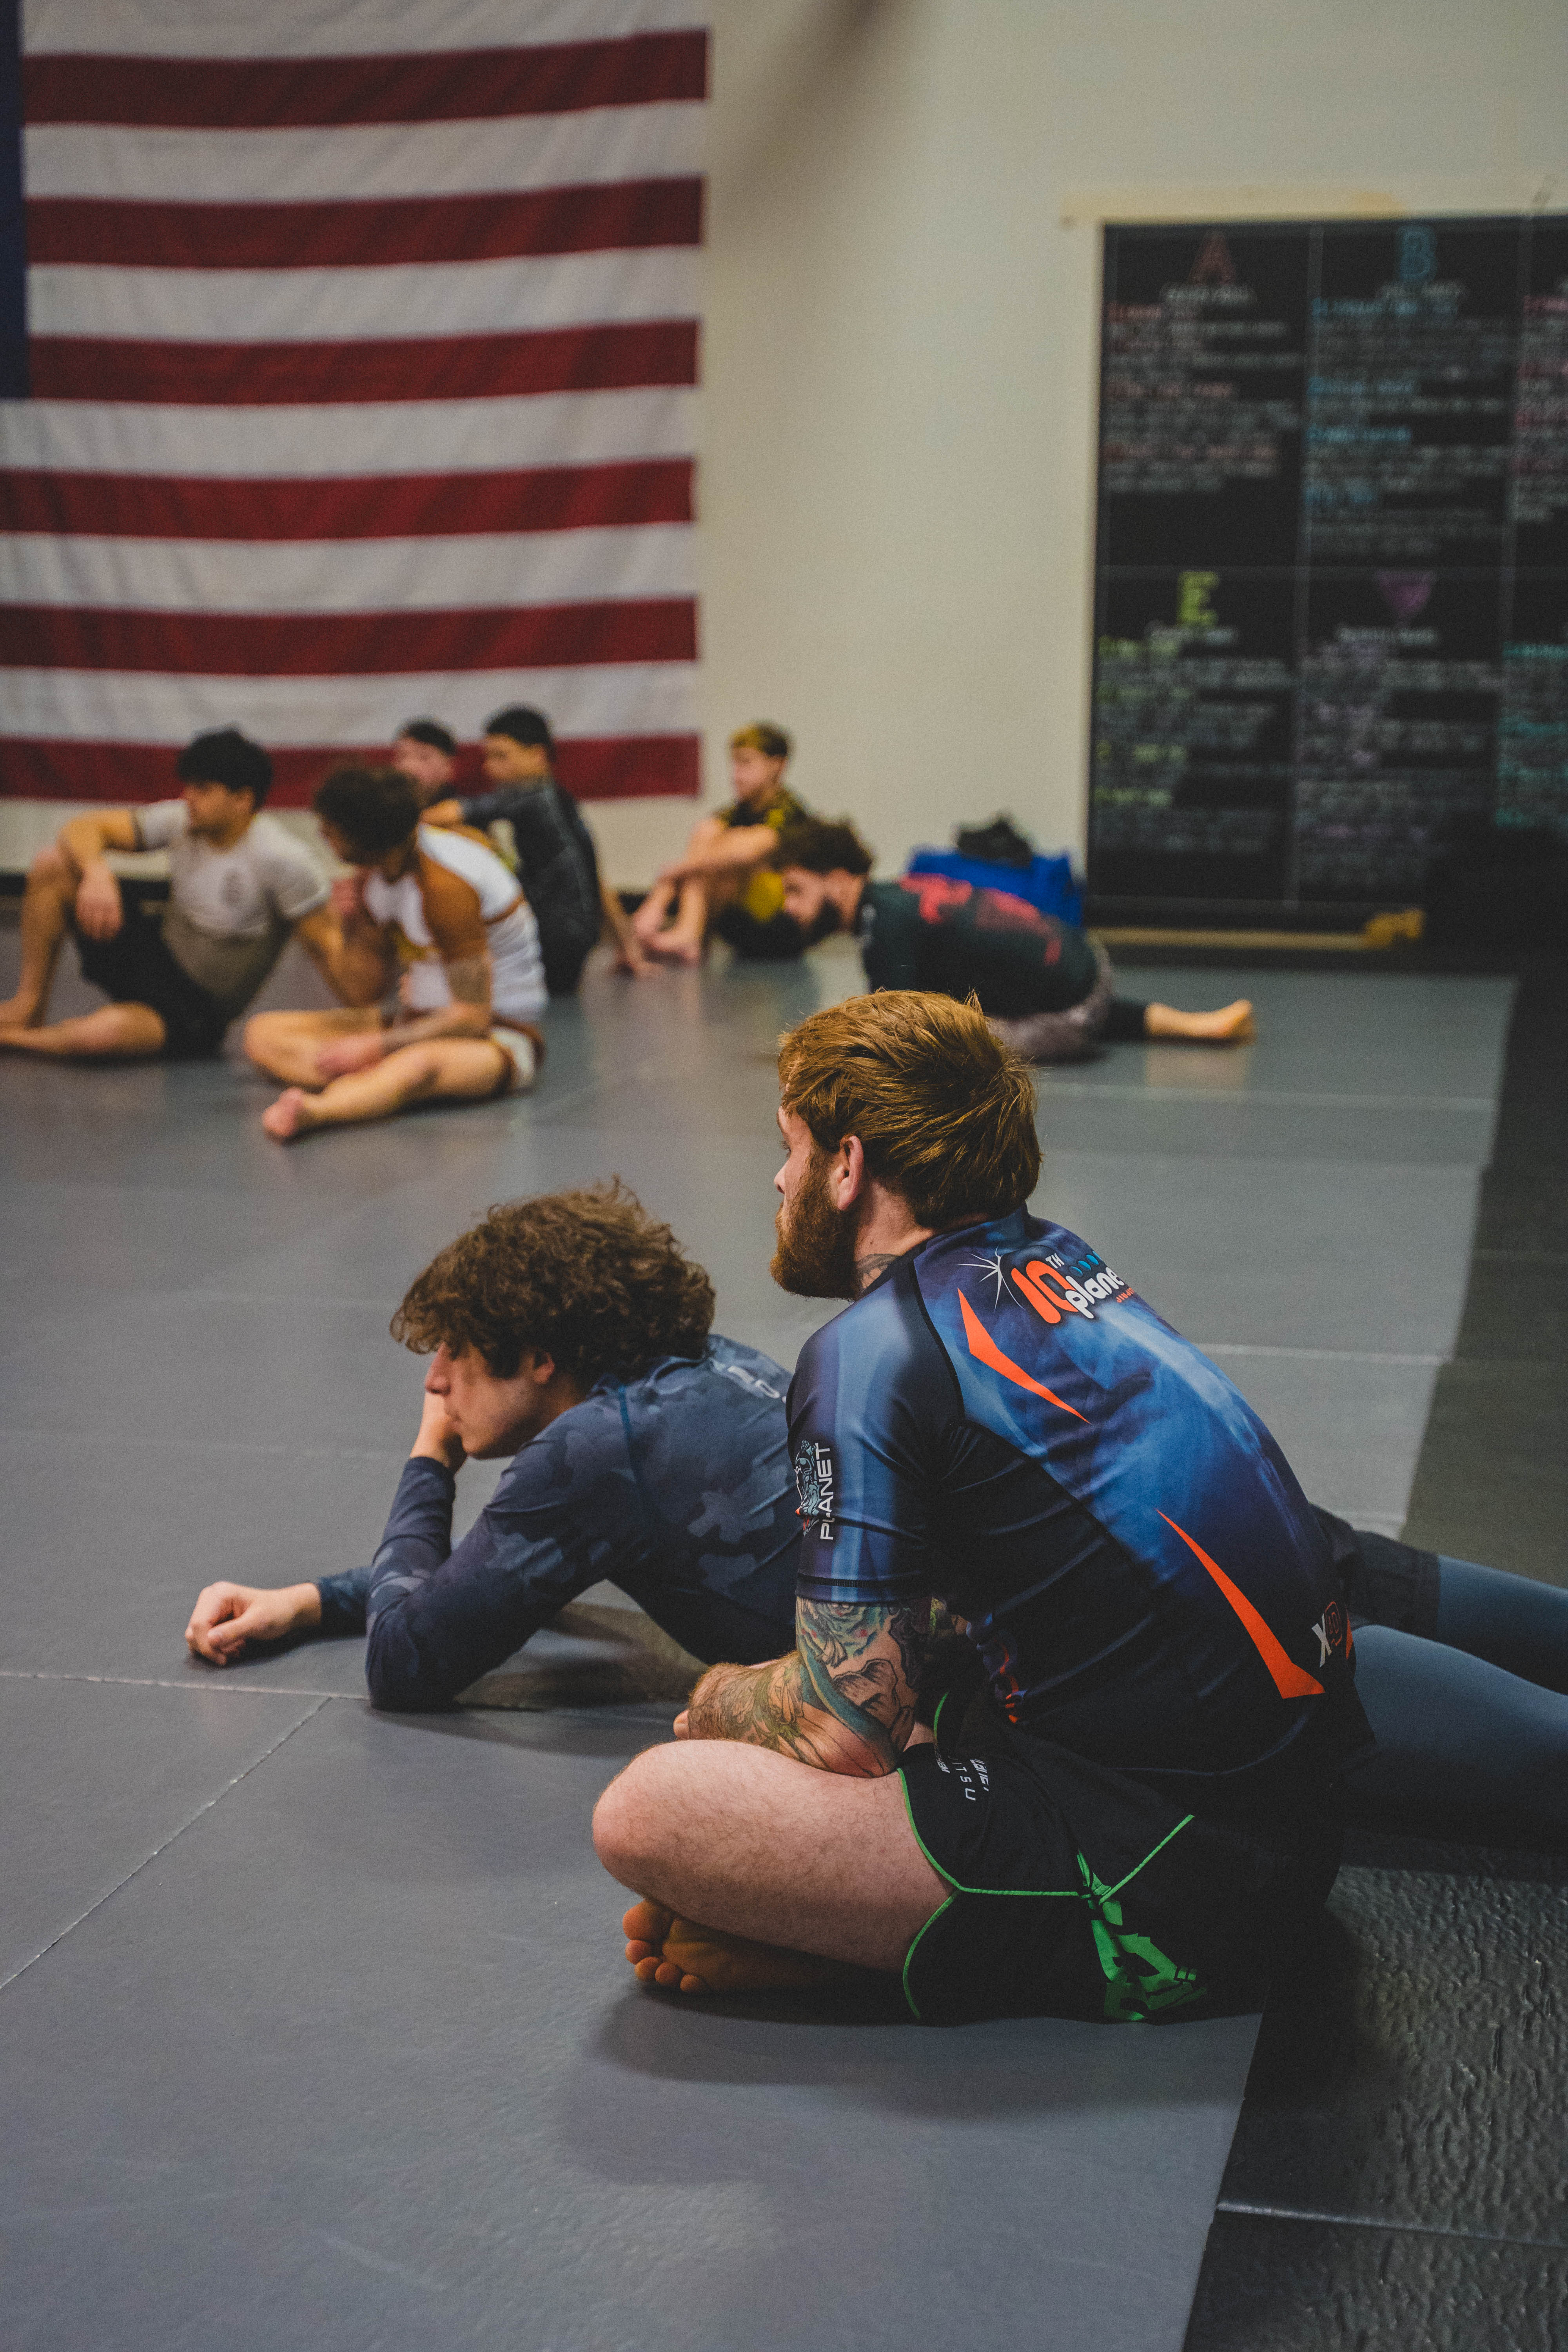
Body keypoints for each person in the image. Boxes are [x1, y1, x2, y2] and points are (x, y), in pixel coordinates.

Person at [593, 989, 1376, 2022]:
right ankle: (862, 1925)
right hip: (1290, 1812)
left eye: (790, 1148)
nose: (776, 1178)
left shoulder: (870, 1354)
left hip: (1184, 1890)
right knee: (924, 1679)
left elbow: (844, 1731)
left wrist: (717, 1699)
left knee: (651, 1809)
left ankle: (906, 1947)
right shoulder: (1060, 1262)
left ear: (848, 1164)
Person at [183, 1185, 799, 1704]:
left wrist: (429, 1458)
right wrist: (311, 1602)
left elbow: (402, 1665)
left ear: (538, 1358)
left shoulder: (604, 1446)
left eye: (458, 1348)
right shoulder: (707, 1364)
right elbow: (505, 1562)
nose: (436, 1380)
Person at [773, 819, 1256, 1062]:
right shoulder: (898, 894)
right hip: (1086, 961)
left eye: (796, 891)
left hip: (1068, 1008)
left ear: (836, 880)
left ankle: (1094, 1023)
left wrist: (814, 1048)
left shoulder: (884, 928)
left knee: (944, 1041)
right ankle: (1198, 1026)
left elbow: (891, 1026)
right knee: (961, 1001)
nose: (790, 908)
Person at [243, 765, 546, 1142]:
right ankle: (375, 1087)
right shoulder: (375, 878)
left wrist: (376, 1046)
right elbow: (360, 992)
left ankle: (320, 1110)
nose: (323, 835)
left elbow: (471, 1018)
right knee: (263, 1033)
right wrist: (351, 923)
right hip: (417, 1022)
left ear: (365, 836)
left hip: (495, 1037)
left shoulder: (445, 888)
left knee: (415, 1066)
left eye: (332, 829)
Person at [0, 729, 338, 1062]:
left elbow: (327, 950)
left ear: (242, 800)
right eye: (189, 785)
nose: (189, 796)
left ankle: (15, 1038)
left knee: (98, 1036)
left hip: (196, 1011)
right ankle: (29, 1006)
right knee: (53, 864)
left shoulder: (283, 860)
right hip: (152, 960)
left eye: (203, 789)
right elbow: (84, 827)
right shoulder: (182, 819)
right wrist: (96, 871)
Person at [423, 705, 652, 988]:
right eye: (488, 757)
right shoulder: (561, 799)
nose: (488, 767)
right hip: (575, 940)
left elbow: (445, 815)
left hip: (554, 939)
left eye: (501, 756)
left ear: (537, 755)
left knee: (464, 839)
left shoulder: (531, 796)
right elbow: (596, 879)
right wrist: (627, 945)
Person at [633, 723, 813, 965]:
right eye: (735, 764)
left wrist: (666, 881)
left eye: (747, 763)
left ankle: (690, 933)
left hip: (782, 925)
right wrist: (661, 896)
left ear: (776, 765)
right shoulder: (738, 810)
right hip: (739, 923)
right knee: (707, 833)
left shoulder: (790, 810)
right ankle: (691, 934)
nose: (736, 774)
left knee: (731, 852)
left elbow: (750, 851)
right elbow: (704, 836)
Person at [390, 718, 459, 806]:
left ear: (449, 766)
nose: (409, 767)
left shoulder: (463, 812)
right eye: (403, 756)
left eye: (424, 757)